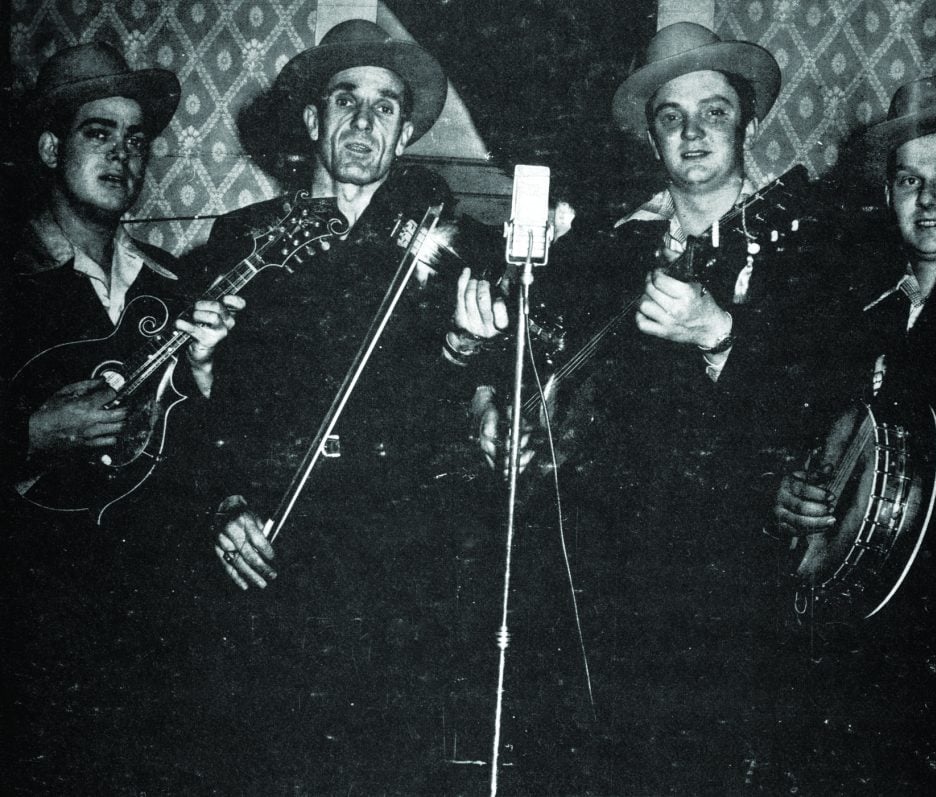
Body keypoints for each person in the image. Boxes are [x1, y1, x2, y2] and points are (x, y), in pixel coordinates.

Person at [453, 22, 840, 793]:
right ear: (650, 137)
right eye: (671, 116)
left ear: (751, 124)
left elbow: (823, 403)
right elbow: (523, 357)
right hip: (604, 580)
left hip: (734, 587)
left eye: (715, 112)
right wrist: (490, 403)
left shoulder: (807, 240)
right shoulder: (610, 245)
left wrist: (720, 334)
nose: (693, 133)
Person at [189, 20, 497, 791]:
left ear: (404, 136)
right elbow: (199, 412)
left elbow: (462, 411)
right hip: (272, 549)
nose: (364, 122)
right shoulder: (240, 241)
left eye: (386, 107)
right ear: (312, 120)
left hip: (397, 564)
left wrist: (464, 348)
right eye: (346, 101)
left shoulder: (450, 249)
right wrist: (221, 500)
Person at [770, 76, 936, 792]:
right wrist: (790, 499)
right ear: (886, 196)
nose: (930, 199)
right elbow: (823, 447)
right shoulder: (859, 311)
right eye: (910, 179)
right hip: (861, 652)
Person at [0, 42, 241, 790]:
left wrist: (204, 376)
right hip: (28, 635)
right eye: (98, 132)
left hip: (148, 630)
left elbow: (202, 447)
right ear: (50, 146)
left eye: (136, 140)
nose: (123, 155)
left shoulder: (171, 286)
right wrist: (33, 433)